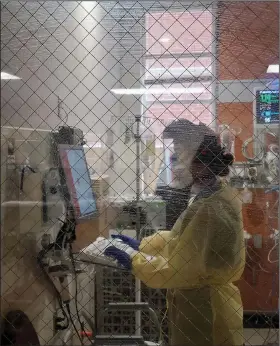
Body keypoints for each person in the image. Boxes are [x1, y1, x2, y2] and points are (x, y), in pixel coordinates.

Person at [103, 127, 245, 346]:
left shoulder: (210, 207)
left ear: (200, 164)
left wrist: (135, 262)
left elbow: (180, 270)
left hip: (204, 313)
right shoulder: (215, 192)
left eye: (180, 158)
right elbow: (186, 239)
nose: (176, 165)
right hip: (206, 303)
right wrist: (144, 245)